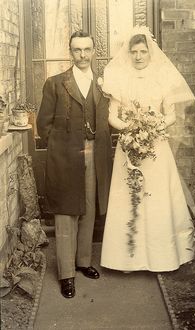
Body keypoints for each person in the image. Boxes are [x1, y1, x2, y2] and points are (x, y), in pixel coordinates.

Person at [100, 26, 195, 272]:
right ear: (129, 53)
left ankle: (162, 258)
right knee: (128, 198)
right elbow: (112, 115)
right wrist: (130, 130)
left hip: (155, 147)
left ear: (150, 52)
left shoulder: (163, 77)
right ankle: (126, 259)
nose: (139, 56)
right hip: (129, 147)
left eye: (143, 51)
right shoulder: (119, 77)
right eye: (134, 51)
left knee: (156, 198)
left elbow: (171, 116)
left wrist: (151, 128)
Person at [37, 31, 112, 298]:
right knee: (67, 212)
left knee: (89, 207)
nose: (82, 55)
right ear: (71, 52)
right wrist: (60, 150)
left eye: (87, 49)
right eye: (77, 50)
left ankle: (83, 261)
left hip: (95, 152)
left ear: (93, 51)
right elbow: (43, 125)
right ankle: (66, 274)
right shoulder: (56, 83)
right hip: (66, 156)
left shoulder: (104, 83)